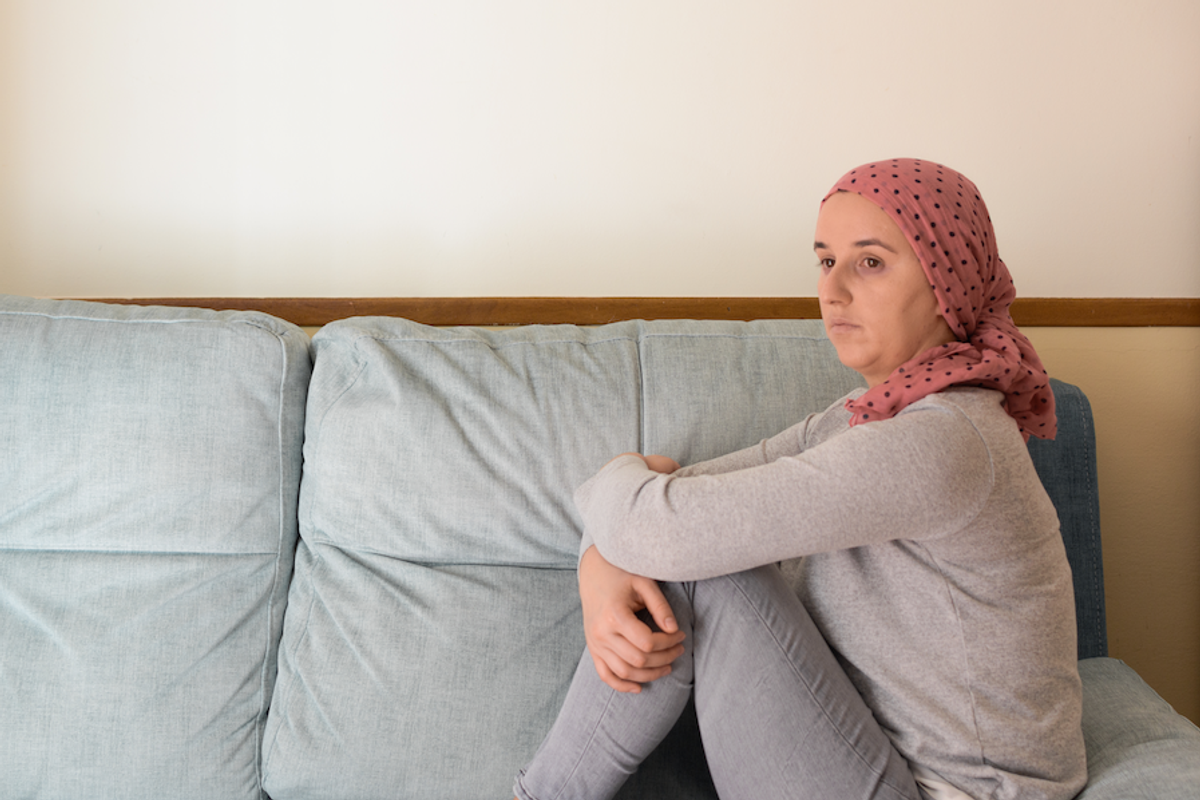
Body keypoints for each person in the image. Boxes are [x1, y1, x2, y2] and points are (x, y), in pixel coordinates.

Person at [513, 159, 1087, 800]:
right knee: (694, 548)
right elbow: (670, 511)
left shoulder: (942, 441)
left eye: (870, 262)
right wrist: (602, 560)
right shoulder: (859, 421)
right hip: (867, 754)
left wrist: (612, 529)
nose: (833, 290)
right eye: (824, 261)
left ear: (945, 281)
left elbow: (666, 529)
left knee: (710, 568)